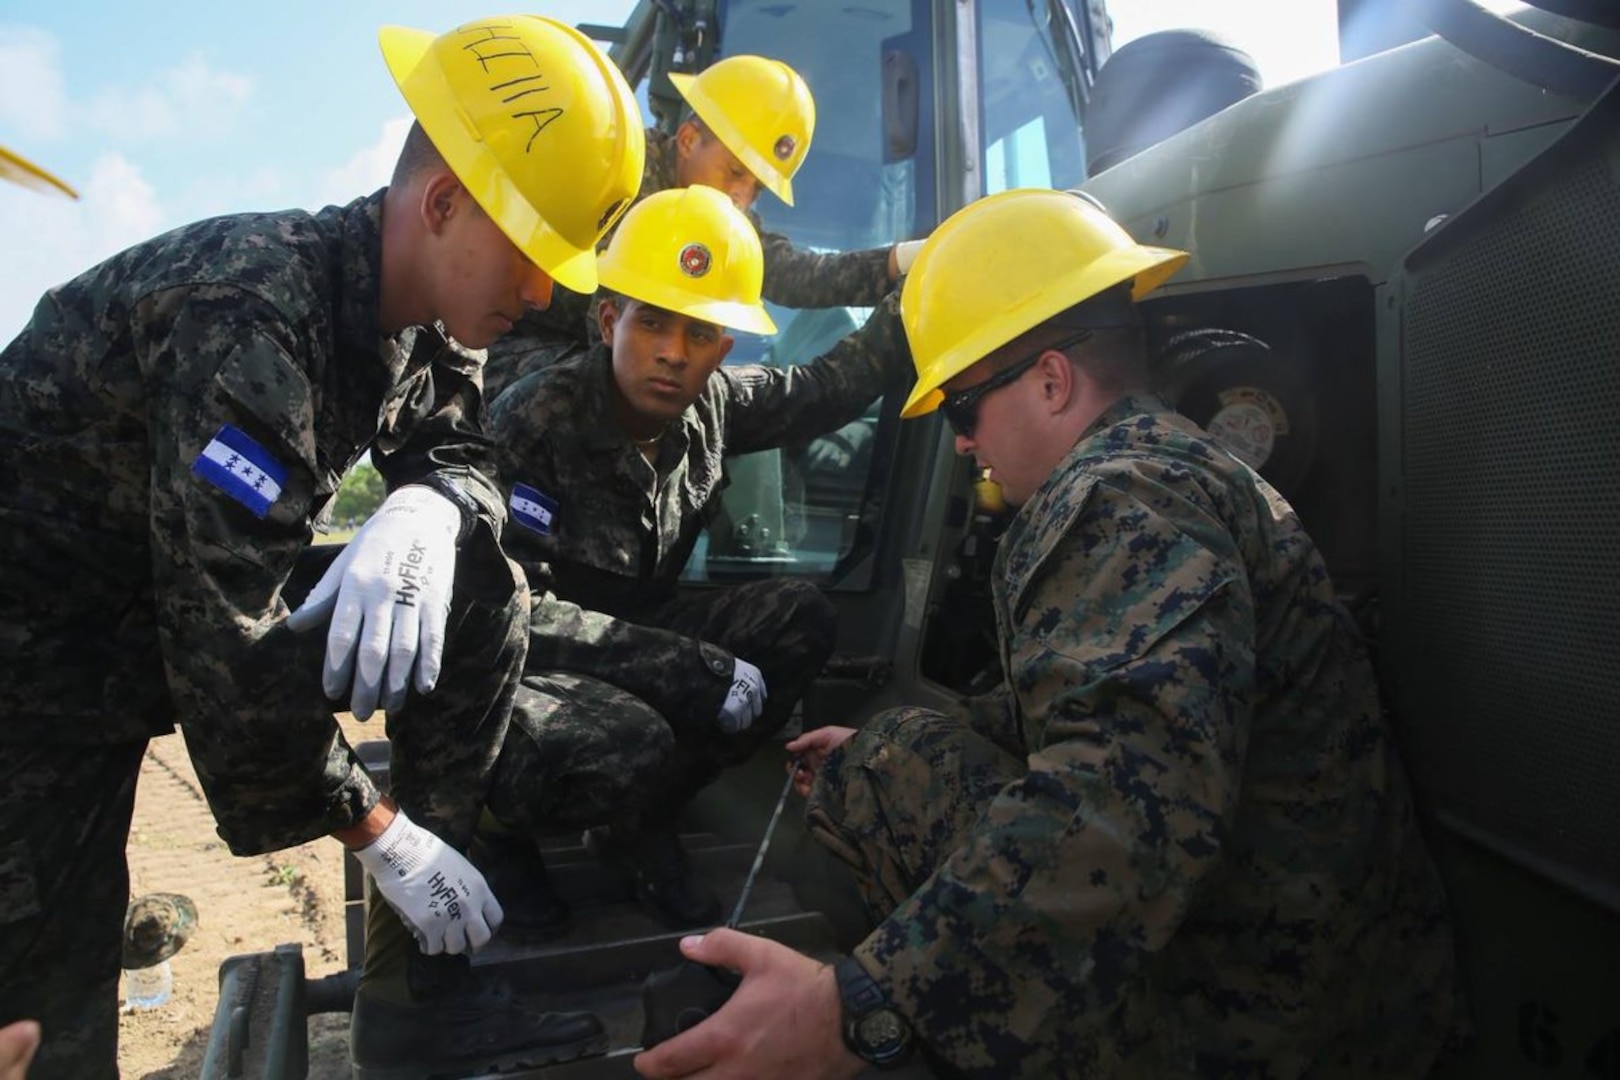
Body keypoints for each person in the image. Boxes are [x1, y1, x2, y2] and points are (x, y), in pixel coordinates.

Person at [633, 188, 1462, 1079]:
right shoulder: (1170, 463)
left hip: (1262, 1022)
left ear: (1052, 382)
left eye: (963, 411)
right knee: (892, 746)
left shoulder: (1116, 498)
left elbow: (1114, 817)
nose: (961, 446)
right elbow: (1107, 709)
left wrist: (857, 1011)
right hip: (1309, 960)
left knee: (890, 773)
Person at [0, 15, 645, 1079]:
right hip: (32, 671)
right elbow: (226, 644)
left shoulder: (420, 321)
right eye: (533, 257)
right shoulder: (254, 312)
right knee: (42, 1010)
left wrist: (433, 507)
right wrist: (383, 833)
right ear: (442, 205)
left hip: (128, 630)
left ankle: (415, 998)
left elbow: (463, 448)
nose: (543, 296)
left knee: (483, 586)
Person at [482, 183, 911, 931]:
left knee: (797, 619)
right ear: (611, 321)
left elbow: (822, 388)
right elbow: (503, 605)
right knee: (626, 736)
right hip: (527, 652)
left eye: (700, 332)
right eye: (653, 323)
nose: (673, 353)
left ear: (726, 346)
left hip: (636, 624)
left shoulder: (712, 405)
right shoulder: (535, 417)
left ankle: (635, 826)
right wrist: (687, 668)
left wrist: (913, 298)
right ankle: (493, 838)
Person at [482, 52, 920, 401]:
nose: (742, 197)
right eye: (735, 172)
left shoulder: (719, 222)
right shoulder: (609, 175)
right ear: (690, 140)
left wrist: (902, 262)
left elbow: (793, 275)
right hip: (524, 363)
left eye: (756, 187)